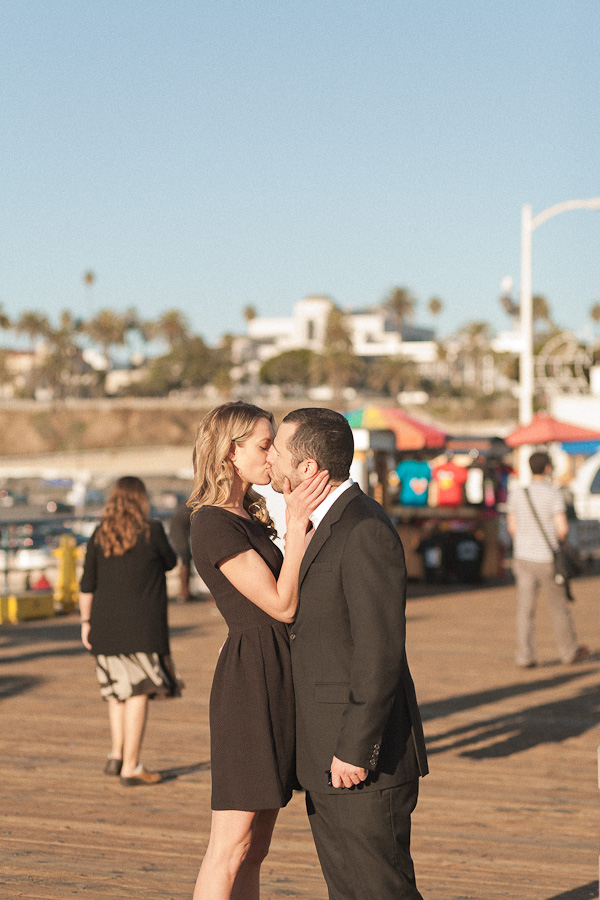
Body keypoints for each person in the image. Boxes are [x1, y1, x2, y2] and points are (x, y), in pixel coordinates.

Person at [266, 407, 428, 900]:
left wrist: (355, 749)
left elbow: (379, 652)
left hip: (360, 762)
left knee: (381, 890)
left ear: (309, 469)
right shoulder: (321, 523)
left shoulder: (363, 529)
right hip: (324, 754)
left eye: (276, 449)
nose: (269, 458)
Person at [188, 401, 329, 900]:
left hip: (277, 673)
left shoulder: (247, 513)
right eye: (265, 445)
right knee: (229, 846)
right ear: (231, 452)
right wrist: (295, 527)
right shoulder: (213, 523)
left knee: (256, 847)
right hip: (250, 682)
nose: (274, 456)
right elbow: (281, 605)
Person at [79, 476, 182, 786]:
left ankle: (116, 753)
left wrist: (86, 623)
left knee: (116, 694)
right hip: (141, 629)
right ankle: (132, 765)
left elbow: (87, 585)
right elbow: (171, 563)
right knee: (138, 691)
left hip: (104, 626)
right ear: (141, 499)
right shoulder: (151, 531)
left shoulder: (99, 534)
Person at [506, 450, 589, 668]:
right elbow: (562, 530)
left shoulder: (517, 493)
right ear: (548, 468)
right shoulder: (554, 493)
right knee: (558, 607)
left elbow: (511, 528)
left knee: (525, 610)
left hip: (522, 557)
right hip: (547, 558)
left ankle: (526, 655)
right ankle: (568, 651)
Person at [170, 499, 194, 603]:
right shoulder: (204, 506)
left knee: (186, 558)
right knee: (185, 557)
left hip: (181, 527)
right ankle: (183, 593)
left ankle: (185, 591)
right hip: (178, 528)